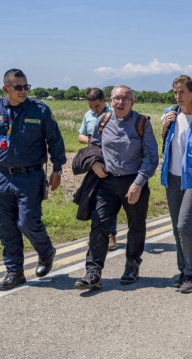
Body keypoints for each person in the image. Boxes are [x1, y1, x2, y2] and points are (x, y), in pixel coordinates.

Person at [0, 68, 66, 291]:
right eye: (18, 87)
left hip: (30, 176)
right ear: (6, 89)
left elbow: (55, 140)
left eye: (26, 86)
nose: (23, 91)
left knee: (26, 222)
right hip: (2, 176)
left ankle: (45, 251)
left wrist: (57, 169)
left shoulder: (39, 110)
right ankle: (14, 272)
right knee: (6, 227)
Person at [75, 85, 158, 290]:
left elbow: (151, 156)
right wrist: (94, 164)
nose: (120, 102)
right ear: (111, 101)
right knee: (99, 225)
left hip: (134, 182)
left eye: (125, 99)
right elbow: (93, 146)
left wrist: (139, 183)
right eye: (117, 99)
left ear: (132, 102)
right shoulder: (103, 122)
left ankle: (132, 265)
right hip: (107, 182)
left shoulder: (142, 123)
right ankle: (93, 272)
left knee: (136, 226)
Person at [159, 75, 192, 293]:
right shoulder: (171, 114)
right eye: (175, 92)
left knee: (184, 225)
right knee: (175, 227)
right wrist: (164, 125)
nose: (178, 96)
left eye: (182, 92)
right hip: (172, 177)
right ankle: (183, 269)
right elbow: (165, 144)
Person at [78, 88, 118, 251]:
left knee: (110, 200)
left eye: (97, 105)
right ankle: (97, 234)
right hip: (94, 161)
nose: (94, 109)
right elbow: (81, 136)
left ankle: (110, 234)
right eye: (91, 106)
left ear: (105, 101)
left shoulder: (114, 114)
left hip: (111, 162)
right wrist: (92, 139)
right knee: (94, 199)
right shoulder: (88, 116)